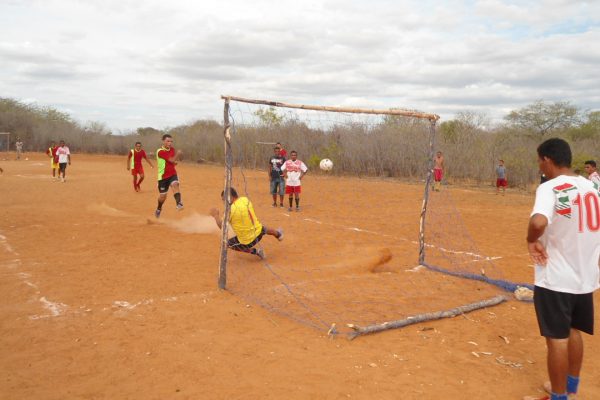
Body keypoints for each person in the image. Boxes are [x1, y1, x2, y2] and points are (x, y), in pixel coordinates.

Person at [524, 138, 599, 400]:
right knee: (573, 330)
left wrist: (531, 240)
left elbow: (538, 221)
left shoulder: (550, 187)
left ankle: (559, 397)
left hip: (556, 277)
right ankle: (571, 389)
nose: (539, 166)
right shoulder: (592, 187)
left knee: (556, 339)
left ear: (547, 159)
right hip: (585, 277)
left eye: (539, 160)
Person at [210, 187, 283, 259]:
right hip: (258, 233)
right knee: (263, 228)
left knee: (226, 244)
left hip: (247, 242)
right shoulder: (245, 199)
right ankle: (279, 235)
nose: (224, 202)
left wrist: (216, 216)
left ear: (230, 197)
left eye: (224, 200)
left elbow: (222, 227)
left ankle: (256, 252)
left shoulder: (230, 210)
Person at [154, 134, 183, 218]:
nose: (170, 143)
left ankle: (179, 203)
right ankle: (159, 208)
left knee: (175, 184)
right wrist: (177, 155)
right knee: (162, 197)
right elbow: (171, 159)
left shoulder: (172, 149)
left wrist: (180, 156)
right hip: (163, 177)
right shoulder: (160, 151)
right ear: (163, 141)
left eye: (171, 141)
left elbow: (175, 160)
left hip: (172, 174)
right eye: (168, 141)